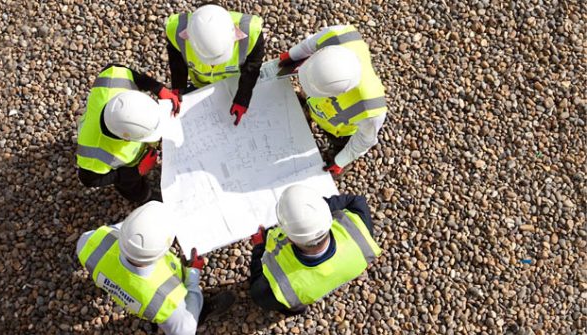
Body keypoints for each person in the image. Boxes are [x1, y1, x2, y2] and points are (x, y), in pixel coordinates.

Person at [76, 201, 235, 334]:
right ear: (164, 250)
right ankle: (203, 311)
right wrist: (193, 274)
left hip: (133, 294)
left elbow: (128, 231)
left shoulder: (88, 243)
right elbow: (185, 331)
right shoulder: (171, 304)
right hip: (171, 311)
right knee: (191, 312)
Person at [248, 185, 381, 315]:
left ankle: (295, 309)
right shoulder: (361, 236)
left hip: (294, 296)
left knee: (288, 304)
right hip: (341, 272)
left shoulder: (280, 289)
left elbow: (258, 293)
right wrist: (312, 215)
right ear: (328, 217)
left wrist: (259, 247)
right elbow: (356, 200)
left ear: (289, 238)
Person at [278, 25, 387, 177]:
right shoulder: (339, 35)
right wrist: (292, 55)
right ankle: (308, 110)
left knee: (339, 153)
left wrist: (340, 161)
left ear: (339, 92)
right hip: (317, 105)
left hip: (340, 130)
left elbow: (364, 140)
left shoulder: (370, 110)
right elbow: (309, 45)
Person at [76, 64, 182, 203]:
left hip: (103, 122)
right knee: (130, 186)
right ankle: (145, 198)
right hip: (125, 166)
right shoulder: (94, 156)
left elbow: (124, 71)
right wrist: (134, 172)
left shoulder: (112, 80)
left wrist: (158, 88)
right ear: (126, 139)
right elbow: (89, 180)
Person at [165, 4, 265, 126]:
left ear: (235, 35)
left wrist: (242, 98)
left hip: (233, 85)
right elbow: (176, 59)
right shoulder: (175, 31)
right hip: (201, 84)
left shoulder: (252, 32)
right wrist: (178, 87)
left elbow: (252, 67)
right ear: (187, 36)